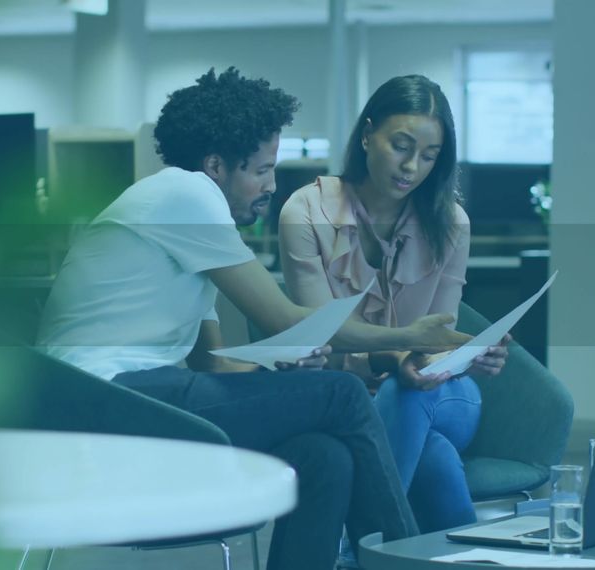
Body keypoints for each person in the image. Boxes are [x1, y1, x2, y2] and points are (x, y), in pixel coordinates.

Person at [37, 68, 472, 570]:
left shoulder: (188, 235)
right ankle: (400, 560)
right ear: (217, 165)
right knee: (342, 394)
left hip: (126, 399)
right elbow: (287, 319)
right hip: (98, 401)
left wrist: (276, 376)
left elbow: (215, 368)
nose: (270, 185)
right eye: (261, 170)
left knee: (321, 456)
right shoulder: (186, 195)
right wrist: (405, 336)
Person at [278, 75, 511, 542]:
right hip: (342, 396)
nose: (412, 167)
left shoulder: (450, 223)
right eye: (401, 146)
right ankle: (449, 553)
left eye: (429, 156)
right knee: (434, 456)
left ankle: (363, 546)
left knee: (410, 393)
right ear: (367, 134)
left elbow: (436, 342)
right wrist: (396, 355)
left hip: (440, 395)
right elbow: (327, 332)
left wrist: (471, 353)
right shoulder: (305, 212)